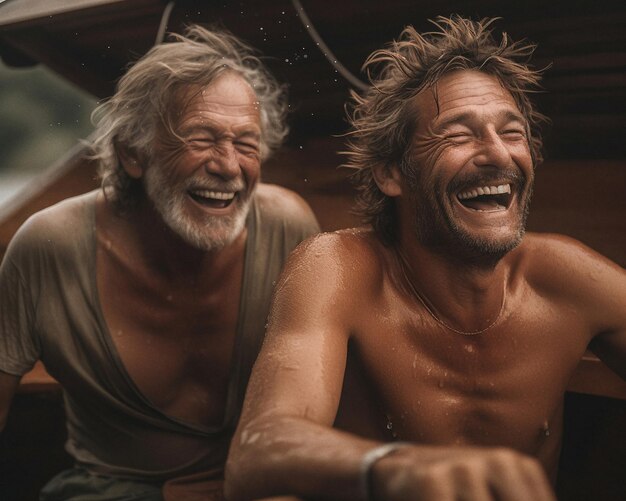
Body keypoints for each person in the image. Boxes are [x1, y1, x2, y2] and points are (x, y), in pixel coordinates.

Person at [224, 15, 626, 501]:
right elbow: (258, 452)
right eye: (459, 135)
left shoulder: (567, 276)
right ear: (392, 173)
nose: (497, 154)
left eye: (512, 132)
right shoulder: (338, 268)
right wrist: (393, 466)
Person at [0, 25, 319, 500]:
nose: (229, 166)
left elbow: (333, 406)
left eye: (246, 144)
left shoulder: (287, 227)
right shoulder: (50, 245)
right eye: (201, 138)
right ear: (133, 154)